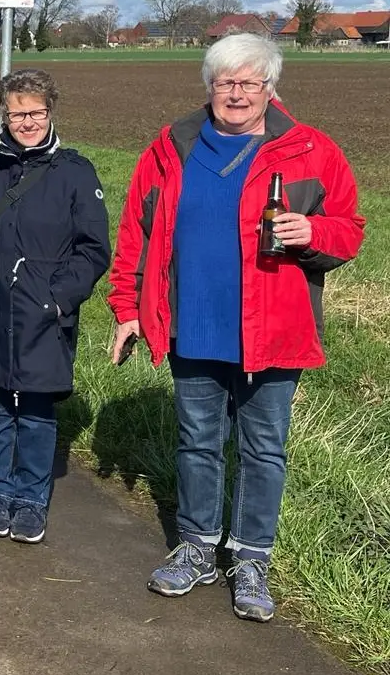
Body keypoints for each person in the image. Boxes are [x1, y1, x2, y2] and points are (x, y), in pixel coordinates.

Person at [109, 34, 364, 623]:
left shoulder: (310, 150)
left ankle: (251, 558)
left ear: (270, 89)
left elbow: (349, 227)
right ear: (209, 86)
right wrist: (127, 308)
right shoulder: (169, 149)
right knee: (196, 441)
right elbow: (136, 235)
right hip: (191, 324)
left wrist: (315, 235)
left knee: (263, 448)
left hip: (275, 327)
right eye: (226, 82)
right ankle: (198, 546)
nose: (237, 93)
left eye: (250, 82)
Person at [0, 69, 110, 544]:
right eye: (17, 112)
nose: (26, 122)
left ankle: (31, 499)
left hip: (43, 312)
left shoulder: (75, 172)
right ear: (3, 113)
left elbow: (94, 248)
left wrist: (57, 297)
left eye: (36, 112)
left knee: (38, 409)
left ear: (51, 112)